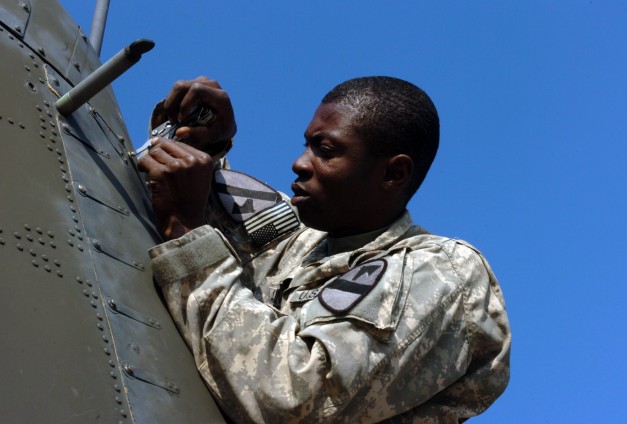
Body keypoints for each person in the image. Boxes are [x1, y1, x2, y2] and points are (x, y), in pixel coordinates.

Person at [138, 76, 511, 423]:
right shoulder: (301, 237)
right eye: (307, 144)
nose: (300, 163)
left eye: (326, 150)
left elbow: (294, 398)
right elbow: (207, 202)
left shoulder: (443, 271)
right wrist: (202, 140)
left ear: (393, 174)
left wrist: (187, 234)